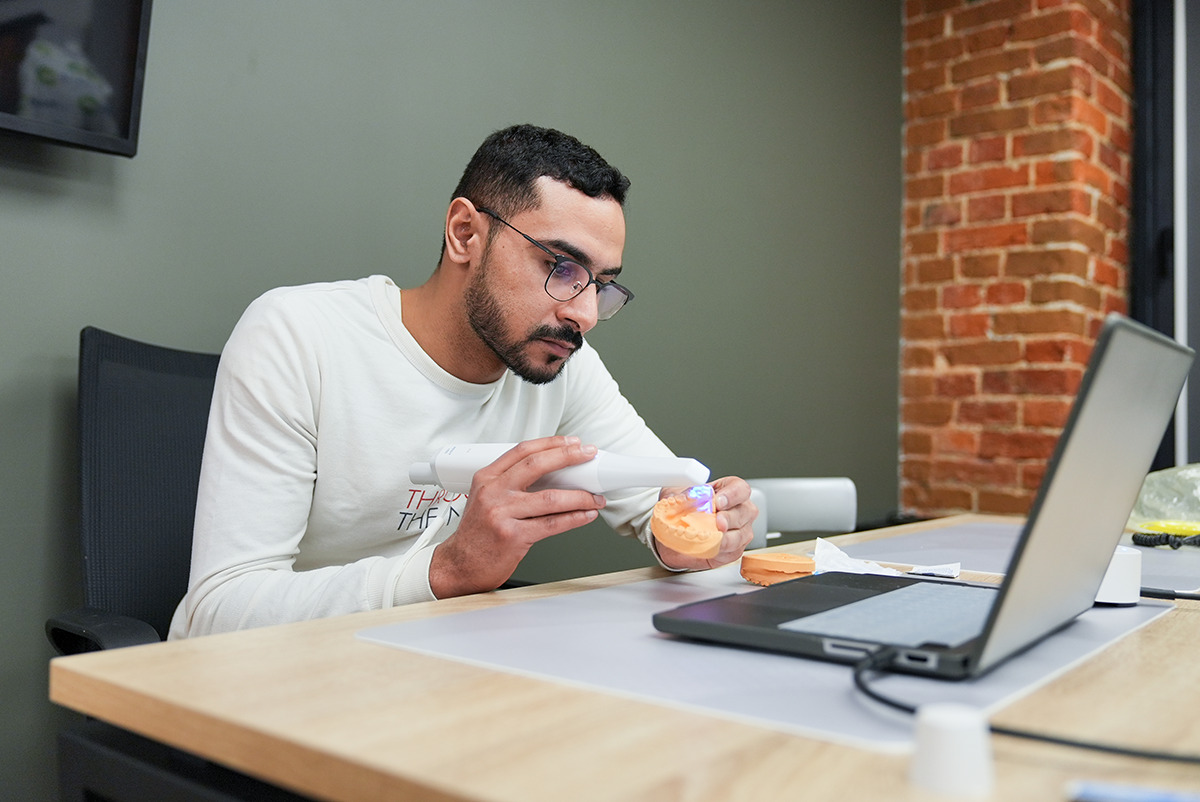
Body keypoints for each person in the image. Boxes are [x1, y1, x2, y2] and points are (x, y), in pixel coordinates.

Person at [169, 124, 757, 639]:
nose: (583, 313)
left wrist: (692, 534)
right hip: (267, 687)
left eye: (600, 285)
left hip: (422, 669)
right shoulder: (298, 335)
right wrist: (447, 570)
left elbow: (666, 502)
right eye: (561, 267)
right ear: (464, 233)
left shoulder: (562, 365)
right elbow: (219, 613)